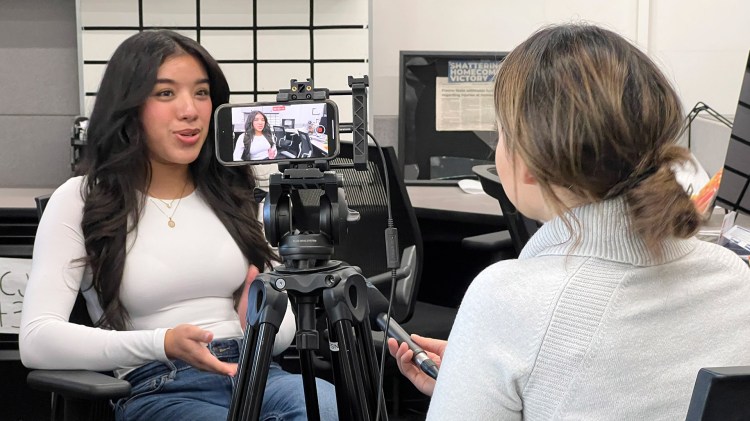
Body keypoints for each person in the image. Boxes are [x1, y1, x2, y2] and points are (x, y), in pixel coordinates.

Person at [388, 23, 750, 420]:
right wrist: (471, 383)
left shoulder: (506, 301)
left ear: (527, 161)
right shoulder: (735, 277)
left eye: (501, 134)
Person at [19, 30, 337, 421]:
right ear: (129, 106)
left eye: (201, 93)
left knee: (327, 405)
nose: (190, 110)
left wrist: (261, 323)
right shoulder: (81, 198)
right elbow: (36, 340)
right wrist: (163, 343)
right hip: (158, 385)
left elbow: (284, 326)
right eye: (166, 93)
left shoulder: (235, 190)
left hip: (255, 372)